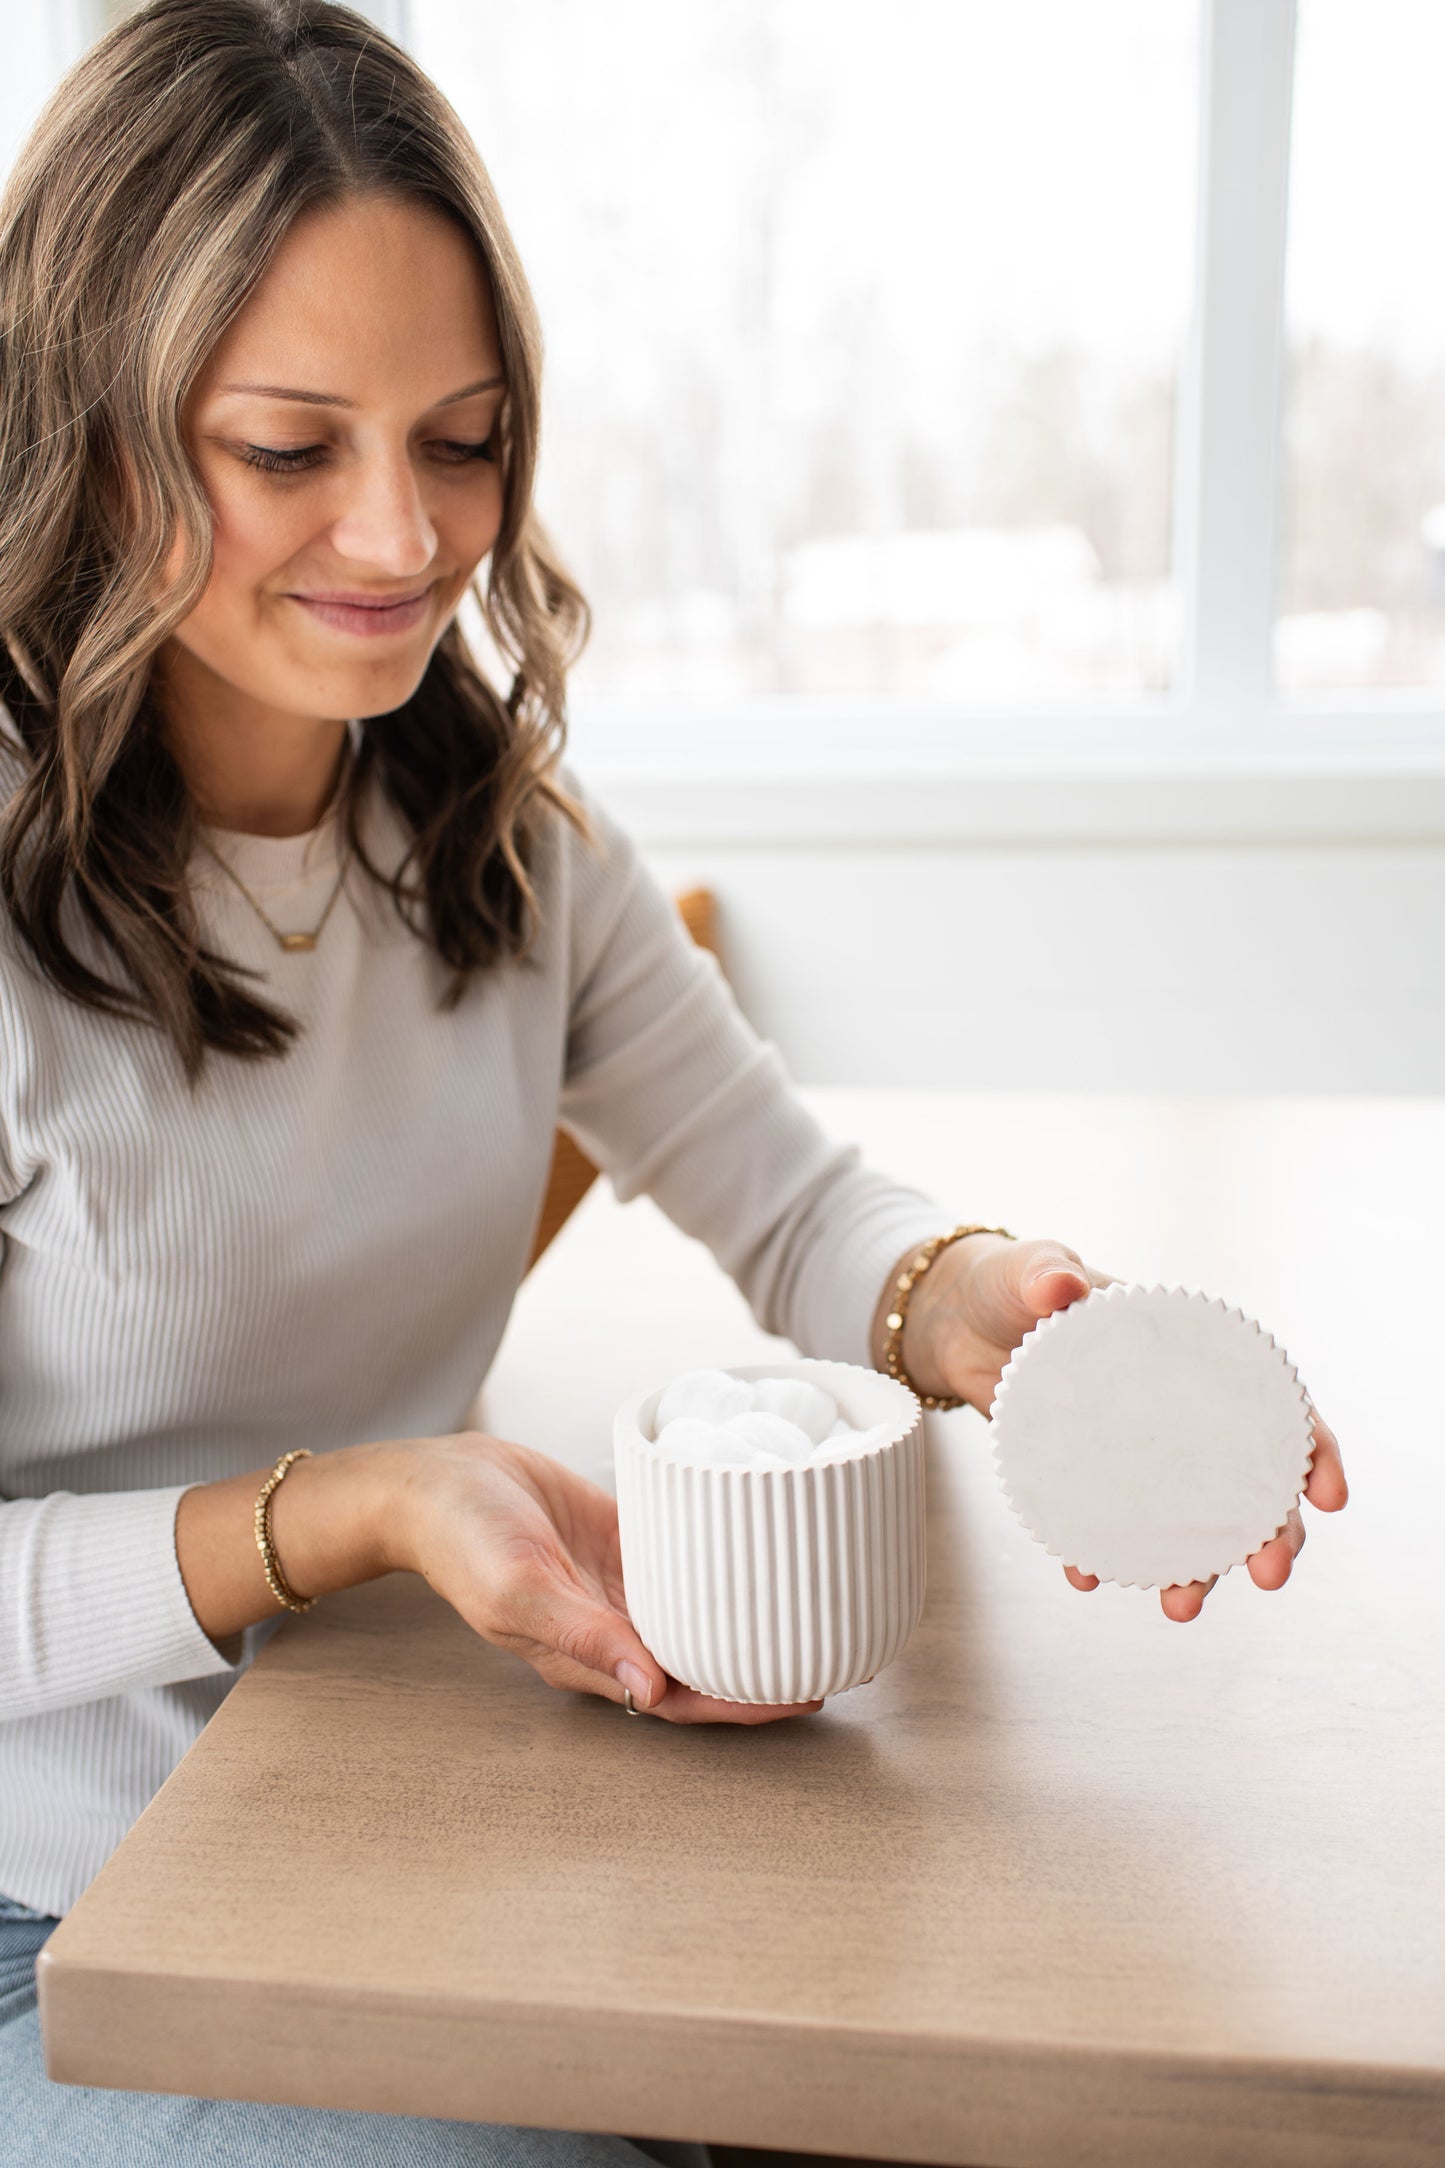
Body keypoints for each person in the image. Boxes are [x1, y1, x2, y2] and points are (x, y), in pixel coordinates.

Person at [0, 2, 1349, 2162]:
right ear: (89, 429)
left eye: (461, 439)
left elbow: (791, 1203)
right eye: (289, 449)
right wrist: (357, 1509)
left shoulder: (498, 848)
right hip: (53, 1921)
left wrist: (973, 1301)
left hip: (363, 1809)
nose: (403, 533)